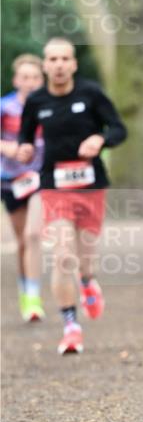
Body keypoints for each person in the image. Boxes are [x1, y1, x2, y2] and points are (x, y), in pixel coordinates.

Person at [17, 38, 128, 355]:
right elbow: (26, 137)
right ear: (45, 65)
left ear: (74, 64)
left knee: (84, 258)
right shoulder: (37, 101)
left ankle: (88, 280)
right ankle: (71, 327)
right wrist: (24, 149)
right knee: (63, 254)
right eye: (53, 59)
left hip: (91, 187)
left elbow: (119, 129)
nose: (60, 64)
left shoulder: (90, 93)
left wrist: (100, 139)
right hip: (54, 186)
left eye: (65, 58)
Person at [1, 54, 46, 322]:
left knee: (33, 236)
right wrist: (10, 148)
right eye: (25, 77)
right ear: (17, 79)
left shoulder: (47, 105)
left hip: (40, 179)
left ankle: (33, 298)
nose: (30, 82)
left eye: (35, 77)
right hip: (10, 180)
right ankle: (25, 288)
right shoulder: (5, 106)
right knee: (21, 241)